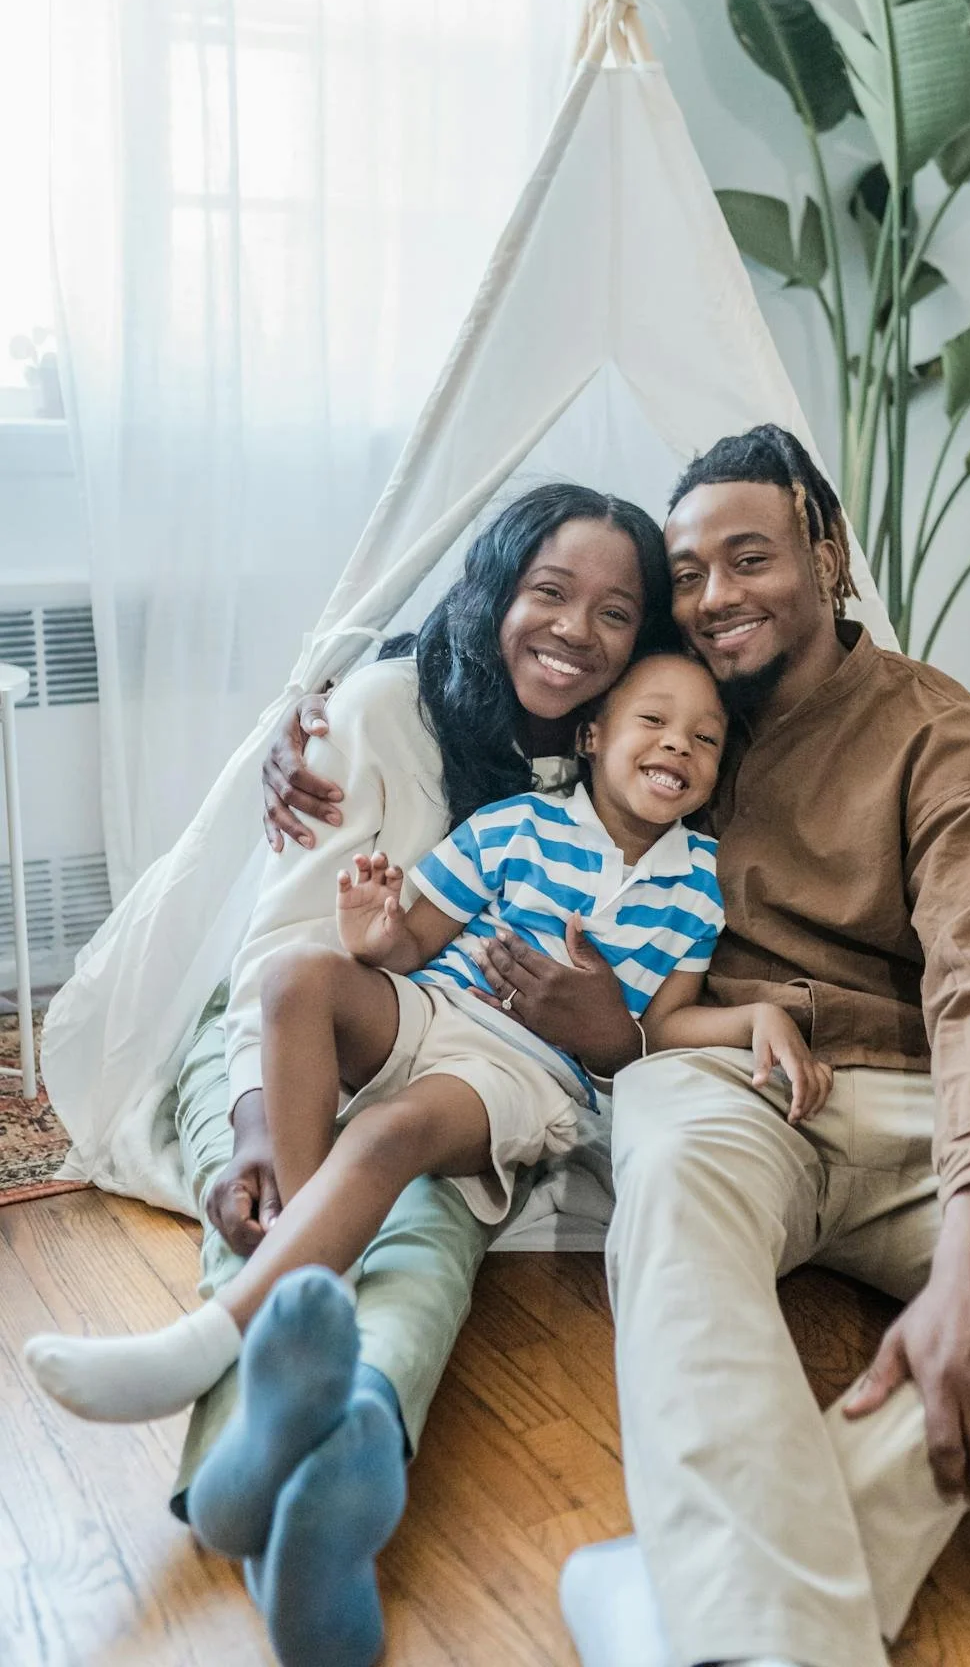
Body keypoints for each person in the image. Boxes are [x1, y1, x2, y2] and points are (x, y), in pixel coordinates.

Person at [444, 426, 970, 1667]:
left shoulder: (942, 738)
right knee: (676, 1166)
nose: (711, 600)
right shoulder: (672, 704)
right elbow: (488, 657)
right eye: (688, 575)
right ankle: (772, 1623)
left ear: (826, 551)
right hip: (738, 1082)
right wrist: (315, 713)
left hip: (918, 1102)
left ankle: (714, 1599)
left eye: (745, 559)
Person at [150, 481, 687, 1667]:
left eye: (615, 612)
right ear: (495, 587)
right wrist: (249, 1118)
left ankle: (351, 1456)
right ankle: (246, 1479)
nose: (574, 632)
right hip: (277, 1033)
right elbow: (280, 956)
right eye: (548, 592)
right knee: (266, 1212)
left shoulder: (619, 770)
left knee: (426, 1228)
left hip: (446, 1058)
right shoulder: (385, 710)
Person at [27, 653, 833, 1430]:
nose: (676, 746)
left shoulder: (699, 882)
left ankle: (208, 1339)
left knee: (389, 1130)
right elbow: (408, 944)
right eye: (654, 721)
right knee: (294, 976)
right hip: (427, 1007)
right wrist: (371, 934)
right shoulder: (515, 826)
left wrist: (754, 1018)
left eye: (704, 739)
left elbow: (661, 1025)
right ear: (592, 736)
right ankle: (319, 1272)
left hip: (525, 1071)